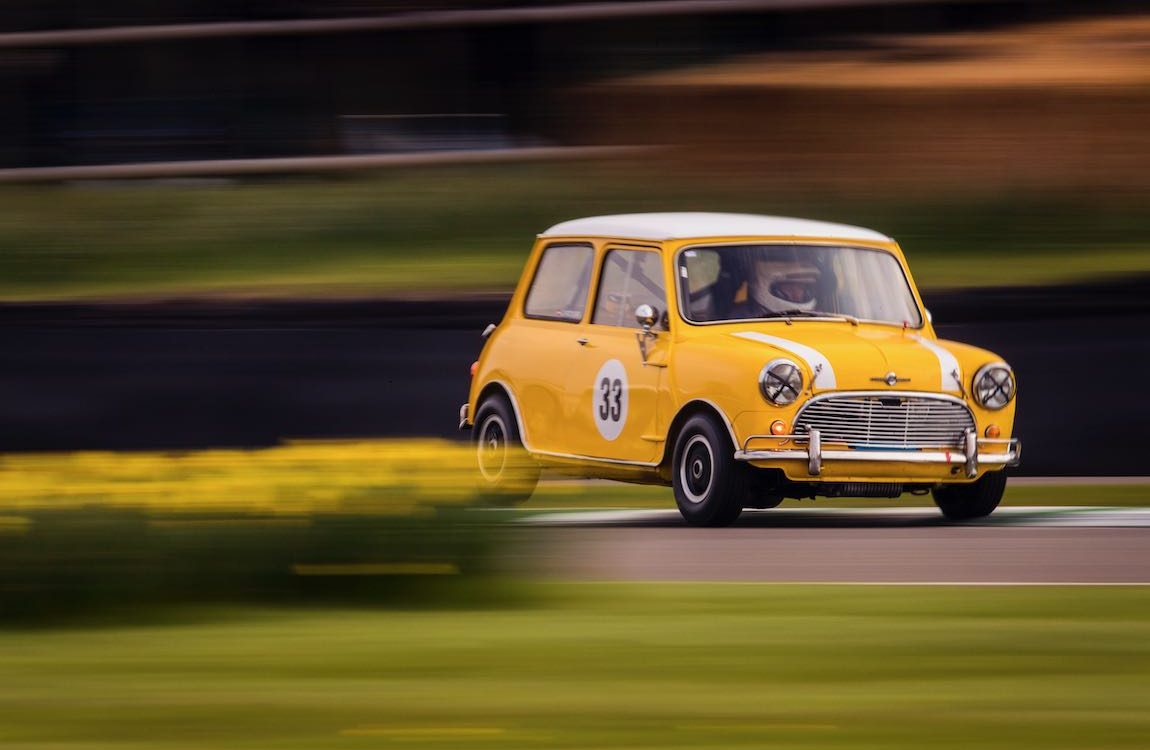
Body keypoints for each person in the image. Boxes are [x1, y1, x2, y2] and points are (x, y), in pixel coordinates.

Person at [729, 246, 822, 318]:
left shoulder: (817, 316)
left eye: (801, 287)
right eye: (790, 287)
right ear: (760, 285)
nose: (797, 294)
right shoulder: (742, 317)